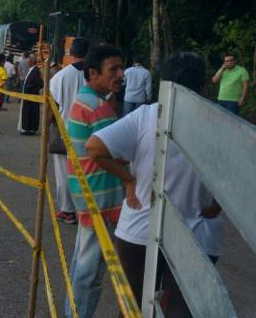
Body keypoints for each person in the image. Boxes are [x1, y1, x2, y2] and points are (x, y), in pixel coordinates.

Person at [86, 52, 223, 318]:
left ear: (165, 84)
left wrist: (129, 179)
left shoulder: (146, 116)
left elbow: (94, 147)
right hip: (198, 235)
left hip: (139, 228)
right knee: (182, 310)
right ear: (204, 85)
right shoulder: (219, 123)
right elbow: (240, 175)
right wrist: (218, 201)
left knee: (132, 308)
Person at [65, 44, 136, 318]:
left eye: (121, 68)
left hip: (87, 195)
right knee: (90, 275)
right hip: (101, 199)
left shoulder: (86, 99)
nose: (120, 74)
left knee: (81, 265)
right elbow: (115, 154)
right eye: (113, 69)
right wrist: (130, 179)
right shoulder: (98, 108)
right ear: (93, 73)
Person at [49, 37, 90, 225]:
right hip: (91, 132)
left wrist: (45, 129)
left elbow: (53, 106)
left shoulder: (60, 77)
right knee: (87, 171)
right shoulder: (95, 75)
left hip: (66, 130)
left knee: (64, 172)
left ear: (69, 53)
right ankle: (86, 209)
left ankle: (67, 211)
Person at [18, 53, 42, 135]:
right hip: (28, 95)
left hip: (31, 95)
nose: (26, 63)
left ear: (32, 62)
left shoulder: (35, 71)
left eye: (28, 61)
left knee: (31, 112)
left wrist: (29, 87)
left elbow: (39, 83)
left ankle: (30, 129)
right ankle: (27, 128)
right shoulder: (32, 70)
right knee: (28, 112)